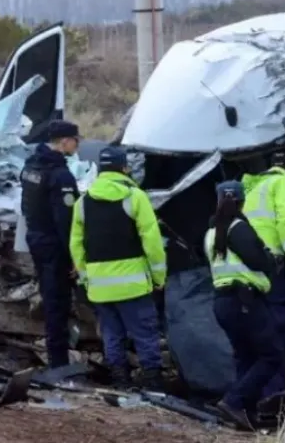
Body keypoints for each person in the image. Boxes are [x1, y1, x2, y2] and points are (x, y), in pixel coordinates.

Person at [69, 146, 167, 390]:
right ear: (125, 168)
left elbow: (76, 244)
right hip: (133, 285)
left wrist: (85, 277)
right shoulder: (135, 197)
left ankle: (120, 382)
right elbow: (152, 241)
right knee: (145, 335)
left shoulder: (83, 203)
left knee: (112, 336)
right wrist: (158, 276)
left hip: (100, 288)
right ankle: (154, 385)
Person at [205, 180, 283, 431]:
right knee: (272, 356)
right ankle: (233, 402)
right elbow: (259, 261)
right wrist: (272, 258)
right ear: (242, 201)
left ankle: (245, 414)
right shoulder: (239, 228)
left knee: (246, 358)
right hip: (245, 300)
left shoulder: (210, 232)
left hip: (224, 303)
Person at [240, 151, 285, 398]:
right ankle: (276, 396)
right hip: (271, 262)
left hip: (246, 264)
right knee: (279, 325)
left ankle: (253, 395)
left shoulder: (254, 185)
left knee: (256, 329)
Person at [20, 119, 81, 369]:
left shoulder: (31, 167)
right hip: (55, 246)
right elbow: (66, 222)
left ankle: (58, 358)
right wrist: (76, 258)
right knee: (58, 303)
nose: (78, 144)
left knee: (50, 298)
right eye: (76, 139)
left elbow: (27, 206)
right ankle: (59, 364)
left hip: (36, 240)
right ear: (65, 141)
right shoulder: (60, 175)